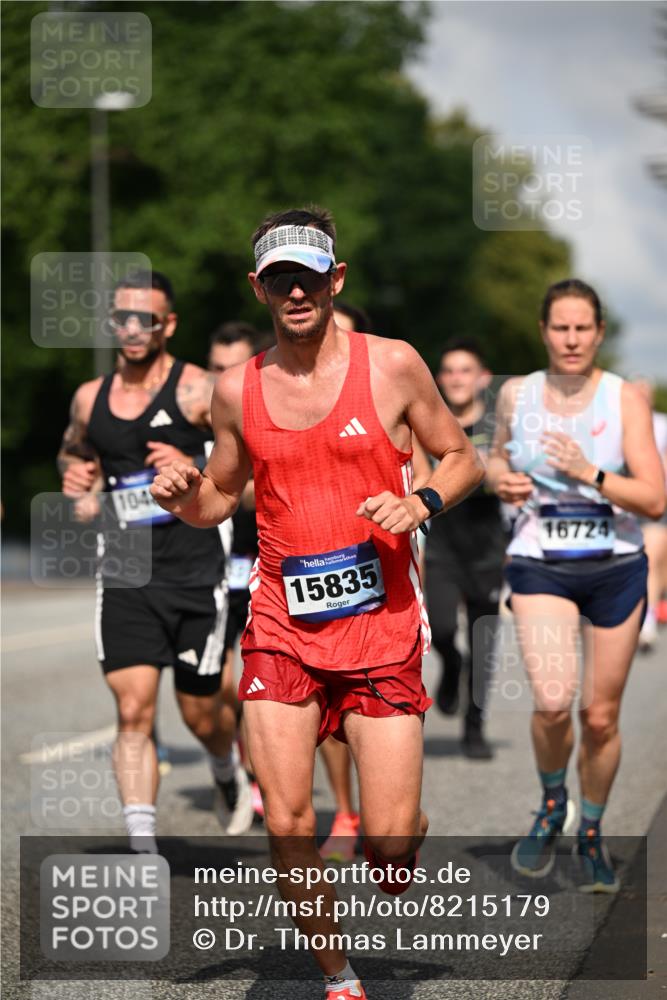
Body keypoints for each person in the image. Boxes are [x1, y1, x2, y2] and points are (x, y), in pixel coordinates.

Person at [152, 206, 483, 998]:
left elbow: (461, 456)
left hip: (383, 622)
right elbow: (220, 499)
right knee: (290, 821)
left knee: (391, 843)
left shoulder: (393, 364)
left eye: (308, 276)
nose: (295, 291)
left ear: (335, 279)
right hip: (281, 625)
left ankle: (398, 840)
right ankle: (337, 977)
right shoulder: (236, 390)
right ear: (259, 288)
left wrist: (421, 503)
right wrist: (184, 495)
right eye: (278, 280)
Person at [59, 269, 253, 850]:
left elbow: (247, 463)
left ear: (168, 323)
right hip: (124, 570)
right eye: (122, 317)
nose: (132, 328)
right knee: (134, 706)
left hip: (196, 570)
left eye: (145, 318)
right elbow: (74, 451)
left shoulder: (200, 390)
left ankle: (225, 766)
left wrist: (195, 457)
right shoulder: (90, 398)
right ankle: (143, 846)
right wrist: (77, 480)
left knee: (203, 715)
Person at [487, 278, 665, 892]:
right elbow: (495, 459)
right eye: (560, 327)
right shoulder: (518, 394)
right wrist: (499, 480)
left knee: (601, 718)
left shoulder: (624, 400)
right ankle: (551, 802)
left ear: (599, 333)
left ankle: (591, 831)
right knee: (553, 699)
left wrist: (587, 471)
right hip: (541, 562)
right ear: (544, 331)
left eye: (582, 328)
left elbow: (654, 496)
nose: (570, 339)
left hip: (615, 565)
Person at [424, 338, 507, 759]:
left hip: (488, 551)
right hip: (441, 549)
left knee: (484, 642)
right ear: (440, 379)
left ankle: (475, 727)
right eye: (450, 371)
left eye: (465, 370)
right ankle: (450, 664)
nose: (457, 378)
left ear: (483, 378)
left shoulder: (499, 424)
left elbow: (506, 474)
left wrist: (493, 471)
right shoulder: (431, 424)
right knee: (440, 629)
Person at [207, 320, 265, 820]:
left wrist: (222, 484)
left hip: (260, 571)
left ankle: (260, 775)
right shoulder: (192, 419)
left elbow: (240, 493)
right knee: (218, 688)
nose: (226, 378)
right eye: (217, 368)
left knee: (255, 684)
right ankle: (237, 768)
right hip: (208, 577)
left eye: (236, 367)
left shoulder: (272, 410)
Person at [633, 380, 667, 650]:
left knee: (652, 559)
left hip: (658, 503)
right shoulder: (615, 423)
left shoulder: (662, 424)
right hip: (624, 503)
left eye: (644, 395)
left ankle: (648, 622)